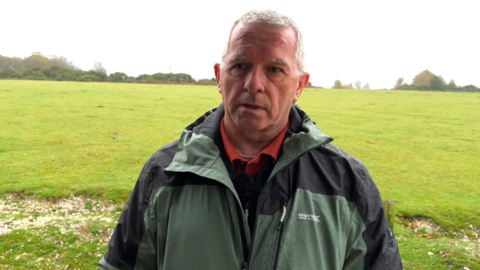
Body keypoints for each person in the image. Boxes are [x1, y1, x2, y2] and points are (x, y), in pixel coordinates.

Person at [99, 9, 402, 270]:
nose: (254, 84)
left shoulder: (346, 182)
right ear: (220, 76)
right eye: (240, 66)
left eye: (274, 69)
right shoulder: (165, 172)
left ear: (299, 85)